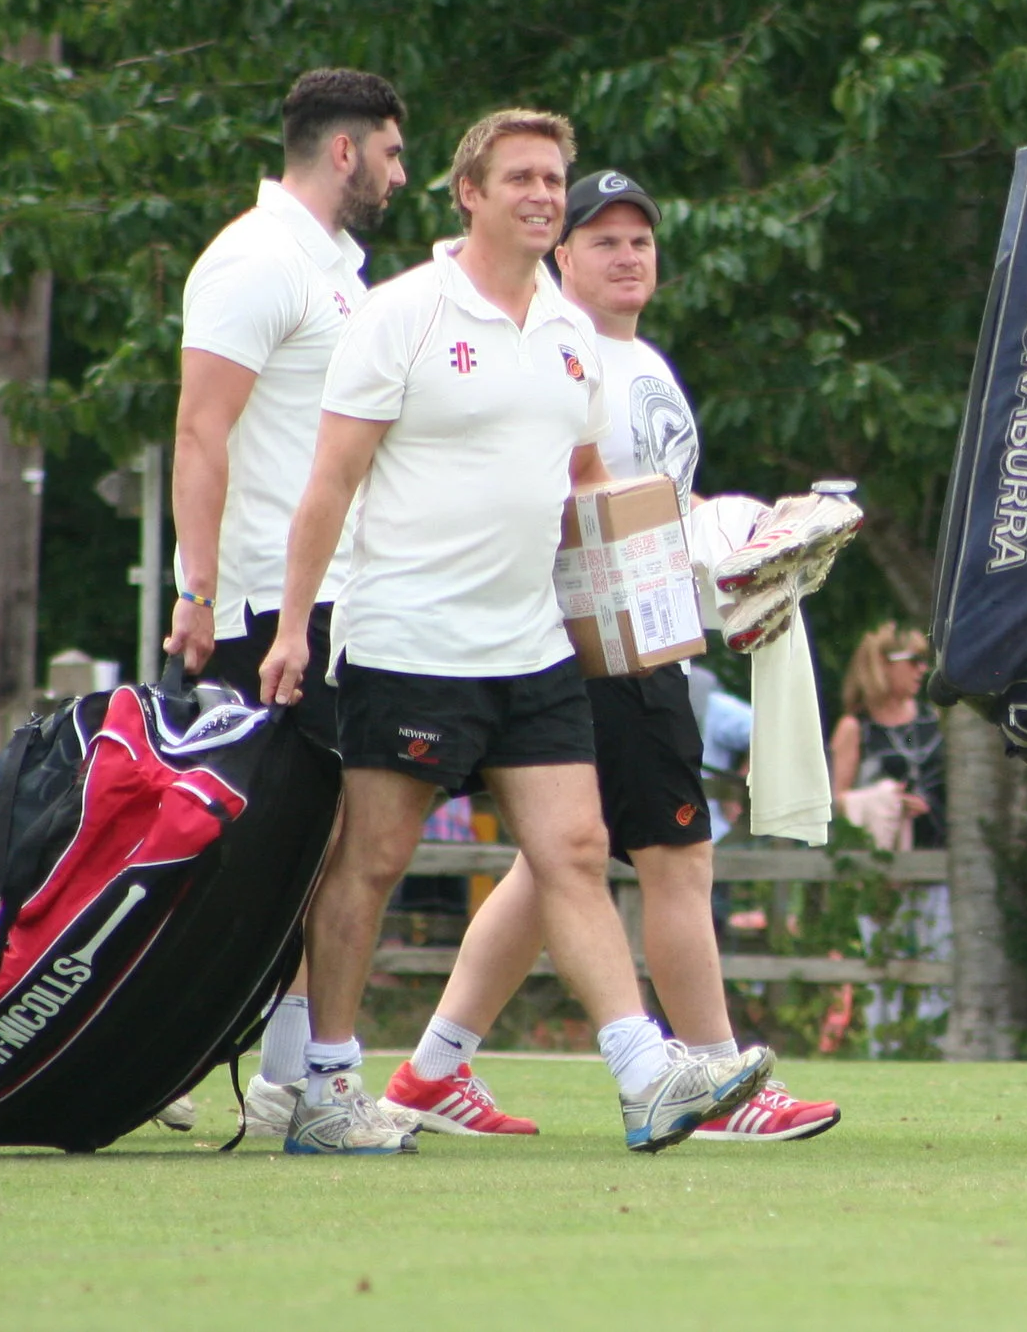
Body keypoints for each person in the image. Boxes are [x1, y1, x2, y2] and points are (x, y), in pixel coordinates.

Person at [259, 110, 770, 1155]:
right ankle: (326, 1083)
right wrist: (296, 627)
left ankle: (643, 1073)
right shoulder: (401, 315)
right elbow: (329, 484)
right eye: (524, 177)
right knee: (373, 859)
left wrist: (699, 551)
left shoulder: (574, 332)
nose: (544, 193)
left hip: (534, 644)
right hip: (409, 638)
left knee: (576, 851)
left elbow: (587, 490)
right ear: (470, 192)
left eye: (554, 177)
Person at [385, 169, 837, 1143]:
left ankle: (430, 1072)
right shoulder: (564, 352)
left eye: (640, 239)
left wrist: (741, 564)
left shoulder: (642, 362)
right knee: (677, 855)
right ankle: (720, 1080)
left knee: (551, 867)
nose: (628, 255)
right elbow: (570, 514)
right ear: (562, 255)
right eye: (604, 240)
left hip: (639, 637)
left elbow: (657, 512)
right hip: (599, 646)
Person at [167, 67, 407, 1137]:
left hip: (335, 602)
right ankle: (173, 1052)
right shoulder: (258, 259)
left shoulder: (340, 274)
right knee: (263, 853)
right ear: (345, 150)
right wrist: (197, 590)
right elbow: (199, 429)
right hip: (266, 607)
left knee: (326, 847)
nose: (402, 174)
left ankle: (285, 1080)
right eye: (394, 153)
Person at [830, 624, 947, 850]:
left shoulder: (934, 718)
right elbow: (835, 801)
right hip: (881, 857)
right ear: (883, 664)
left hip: (940, 852)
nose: (922, 669)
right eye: (913, 660)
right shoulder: (854, 728)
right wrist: (886, 801)